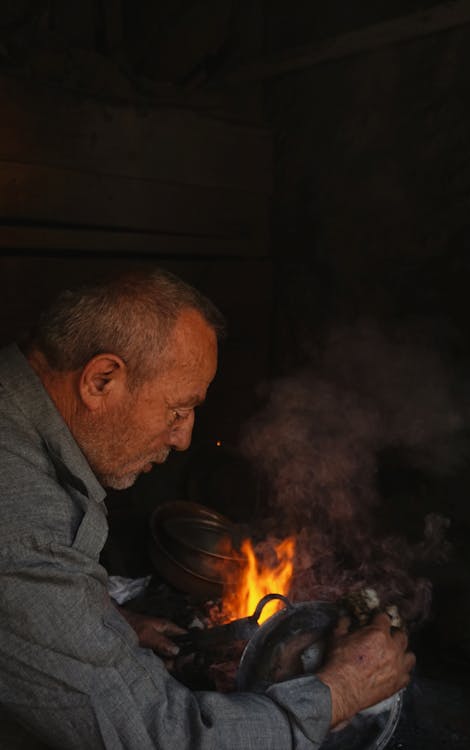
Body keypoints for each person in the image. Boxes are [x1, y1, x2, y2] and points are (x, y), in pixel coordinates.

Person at [0, 269, 415, 749]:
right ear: (101, 380)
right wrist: (337, 693)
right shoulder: (24, 517)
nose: (184, 437)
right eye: (177, 411)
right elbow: (161, 738)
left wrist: (101, 619)